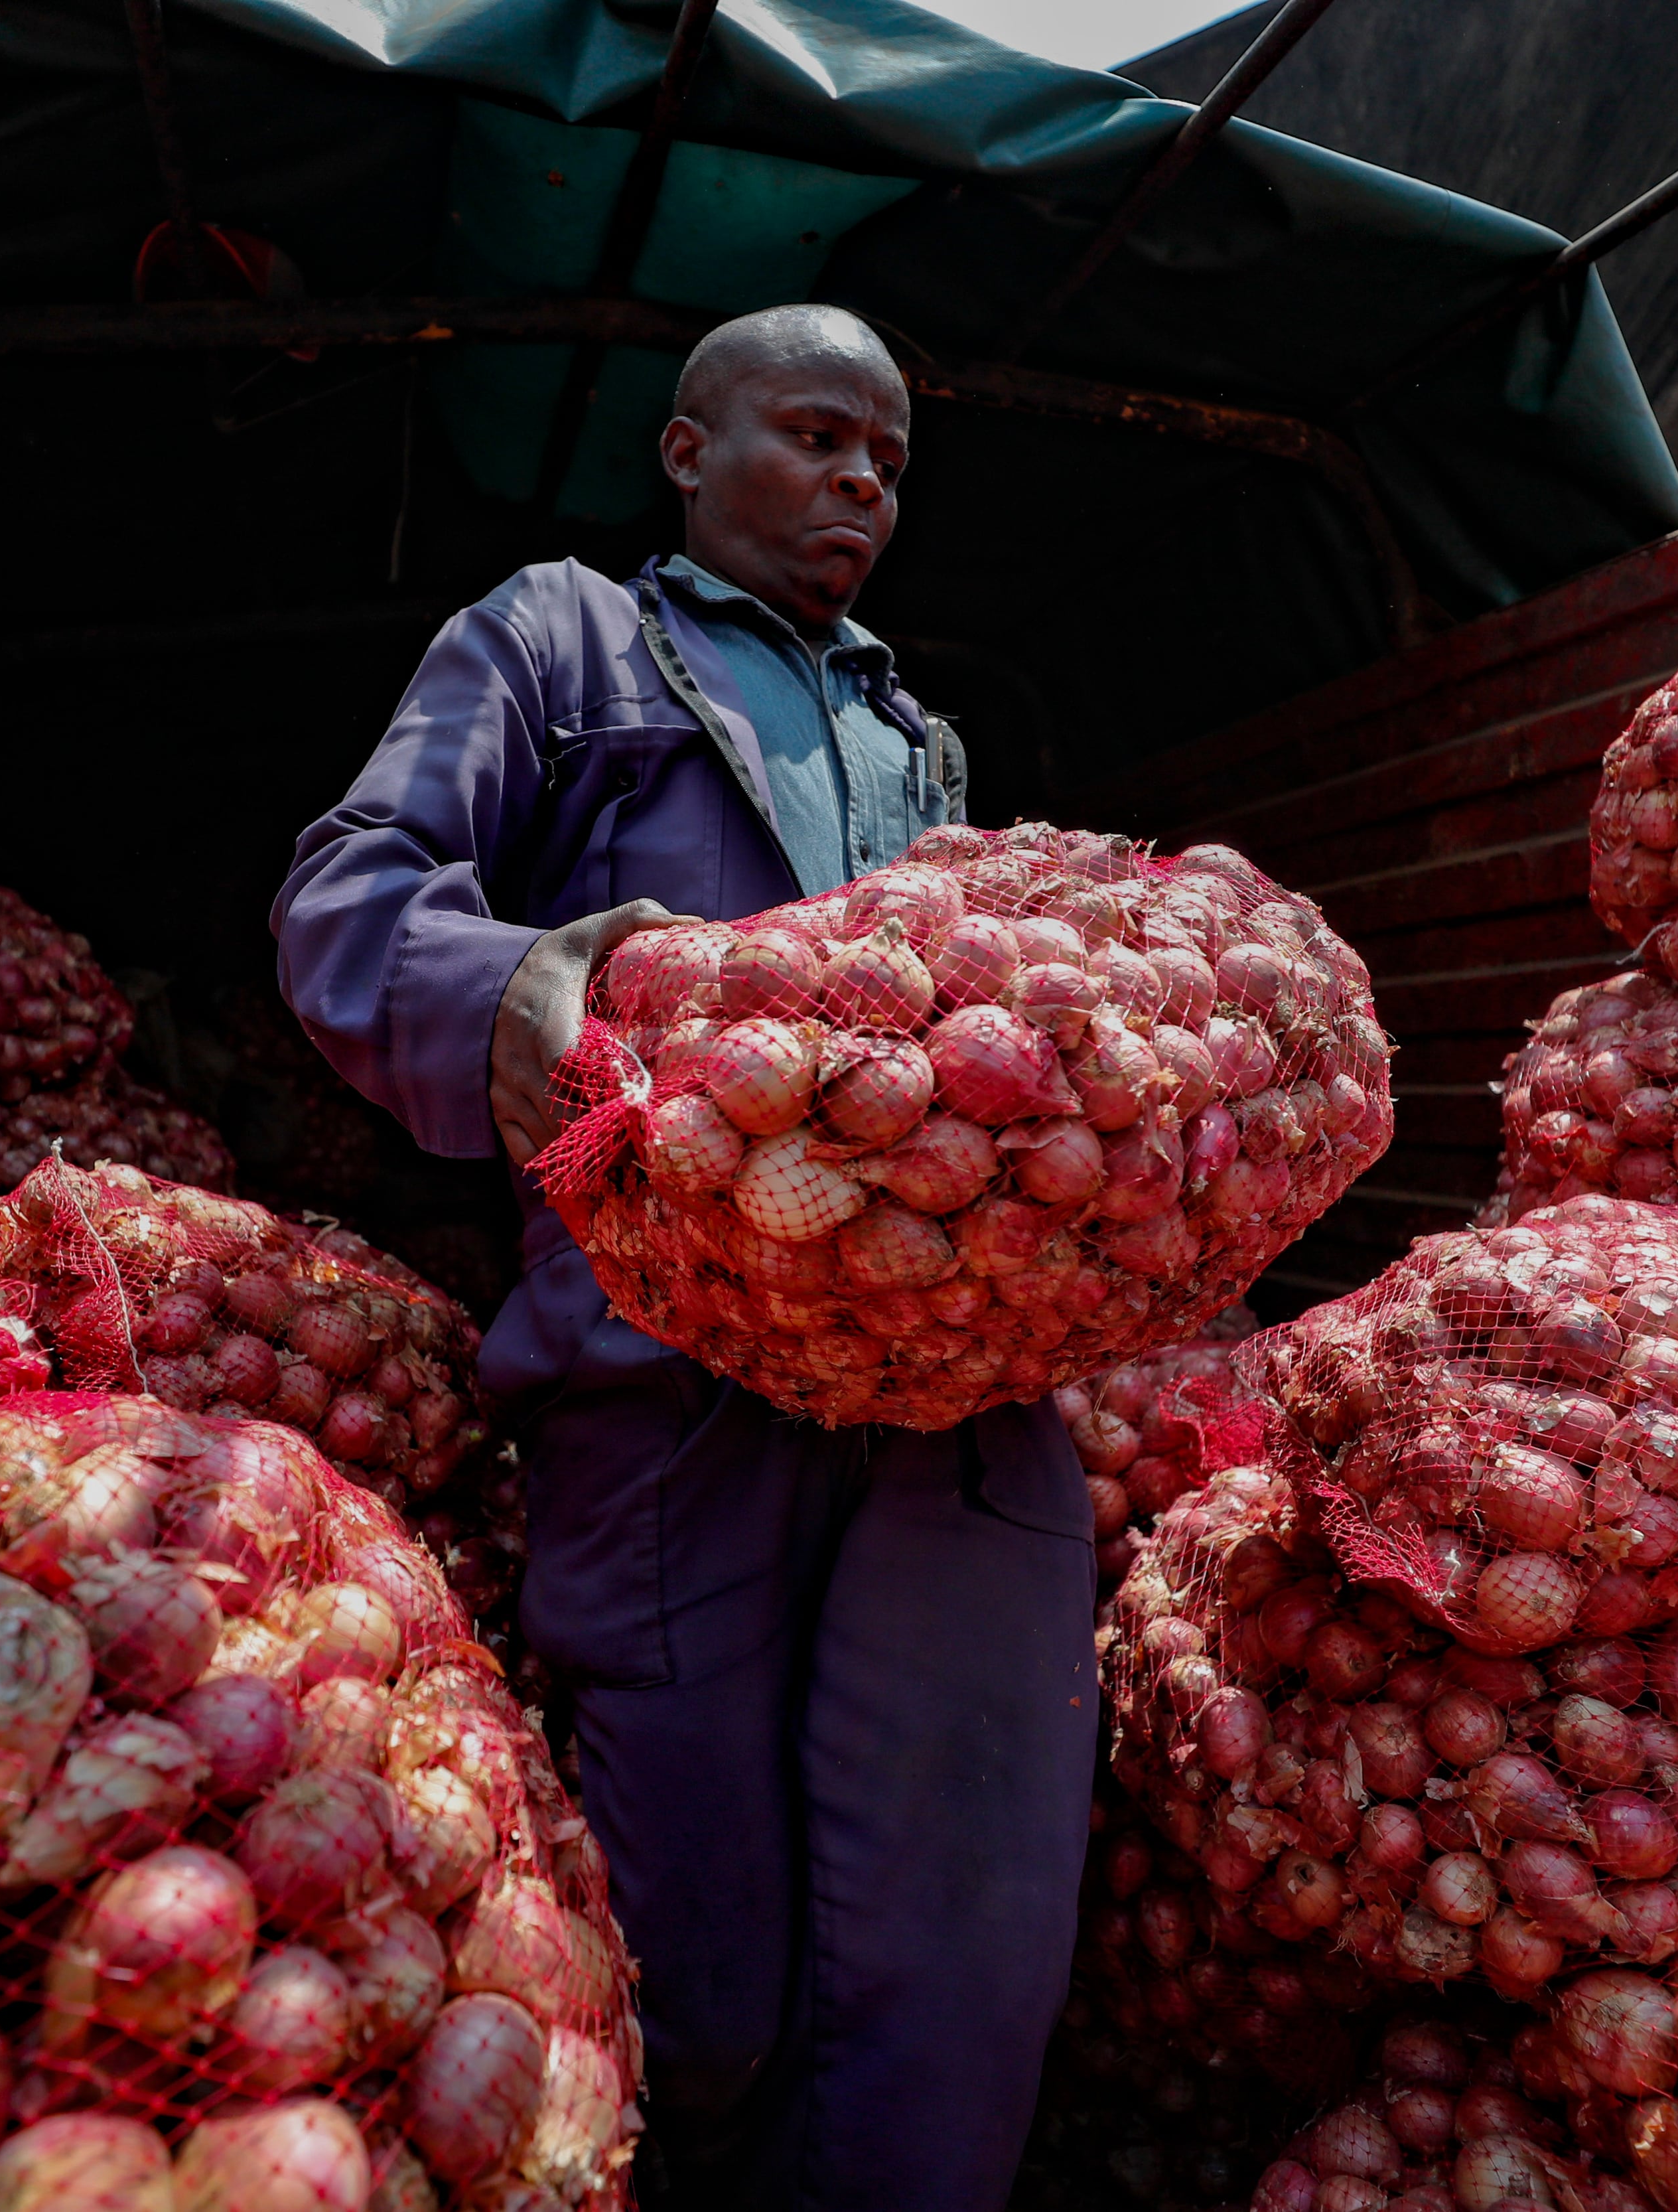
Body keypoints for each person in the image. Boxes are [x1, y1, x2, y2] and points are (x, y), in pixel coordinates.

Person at [271, 304, 1093, 2210]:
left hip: (931, 1386)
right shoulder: (559, 640)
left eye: (889, 461)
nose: (859, 486)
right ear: (687, 451)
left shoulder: (919, 734)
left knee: (948, 1934)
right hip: (661, 1364)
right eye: (815, 437)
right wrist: (511, 992)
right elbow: (351, 895)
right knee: (698, 1965)